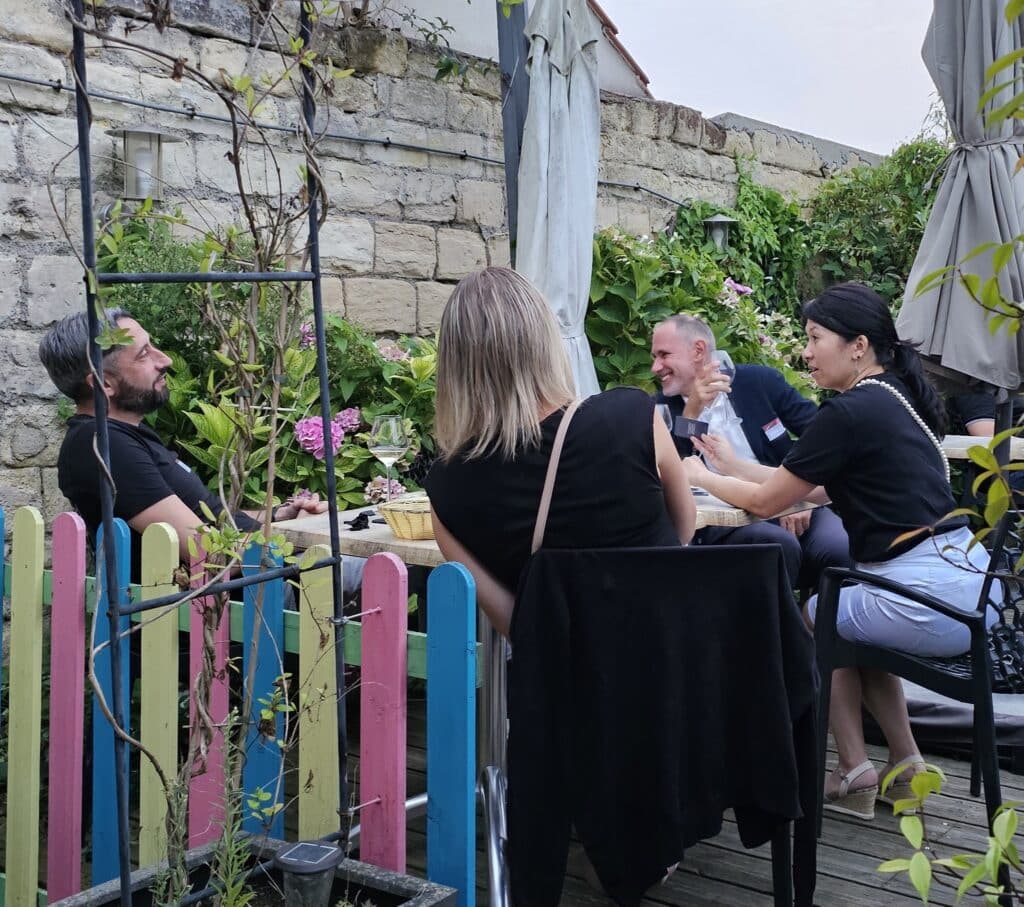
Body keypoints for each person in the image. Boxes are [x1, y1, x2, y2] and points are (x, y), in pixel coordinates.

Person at [683, 282, 997, 820]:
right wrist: (729, 465)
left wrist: (697, 476)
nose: (805, 352)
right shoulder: (893, 399)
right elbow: (811, 487)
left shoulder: (849, 413)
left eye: (814, 338)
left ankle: (853, 768)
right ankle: (907, 767)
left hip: (929, 597)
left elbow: (766, 501)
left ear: (857, 345)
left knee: (817, 618)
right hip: (967, 585)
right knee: (851, 611)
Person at [424, 267, 696, 637]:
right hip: (670, 660)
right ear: (545, 341)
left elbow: (514, 623)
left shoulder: (444, 489)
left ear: (454, 365)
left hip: (566, 686)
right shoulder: (631, 416)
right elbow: (683, 529)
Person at [38, 308, 328, 581]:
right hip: (222, 612)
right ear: (104, 383)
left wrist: (279, 517)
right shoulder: (105, 446)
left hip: (256, 590)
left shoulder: (126, 434)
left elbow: (210, 517)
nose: (164, 360)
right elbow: (211, 552)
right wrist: (296, 541)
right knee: (356, 567)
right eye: (143, 355)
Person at [650, 313, 852, 590]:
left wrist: (798, 494)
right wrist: (692, 411)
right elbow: (678, 468)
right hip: (725, 518)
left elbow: (823, 436)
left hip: (790, 499)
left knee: (842, 548)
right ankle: (781, 633)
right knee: (779, 546)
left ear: (698, 351)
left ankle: (825, 626)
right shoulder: (661, 407)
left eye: (663, 355)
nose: (655, 367)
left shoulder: (759, 382)